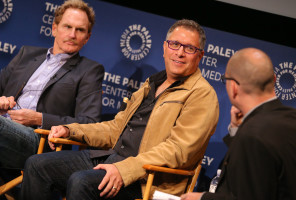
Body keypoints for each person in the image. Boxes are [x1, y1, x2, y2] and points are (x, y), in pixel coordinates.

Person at [20, 19, 219, 200]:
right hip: (111, 159)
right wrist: (71, 129)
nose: (180, 52)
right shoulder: (152, 83)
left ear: (200, 56)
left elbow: (178, 151)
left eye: (189, 48)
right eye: (175, 44)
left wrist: (125, 170)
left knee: (81, 182)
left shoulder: (202, 94)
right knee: (37, 165)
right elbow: (115, 129)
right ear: (165, 48)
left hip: (146, 179)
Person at [0, 0, 104, 182]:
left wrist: (39, 118)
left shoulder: (89, 70)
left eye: (80, 30)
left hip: (38, 142)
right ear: (54, 28)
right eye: (67, 27)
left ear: (87, 37)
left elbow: (89, 123)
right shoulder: (27, 54)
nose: (72, 34)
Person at [180, 48, 296, 200]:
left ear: (234, 87)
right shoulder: (294, 119)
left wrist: (202, 198)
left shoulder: (252, 134)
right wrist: (237, 132)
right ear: (274, 80)